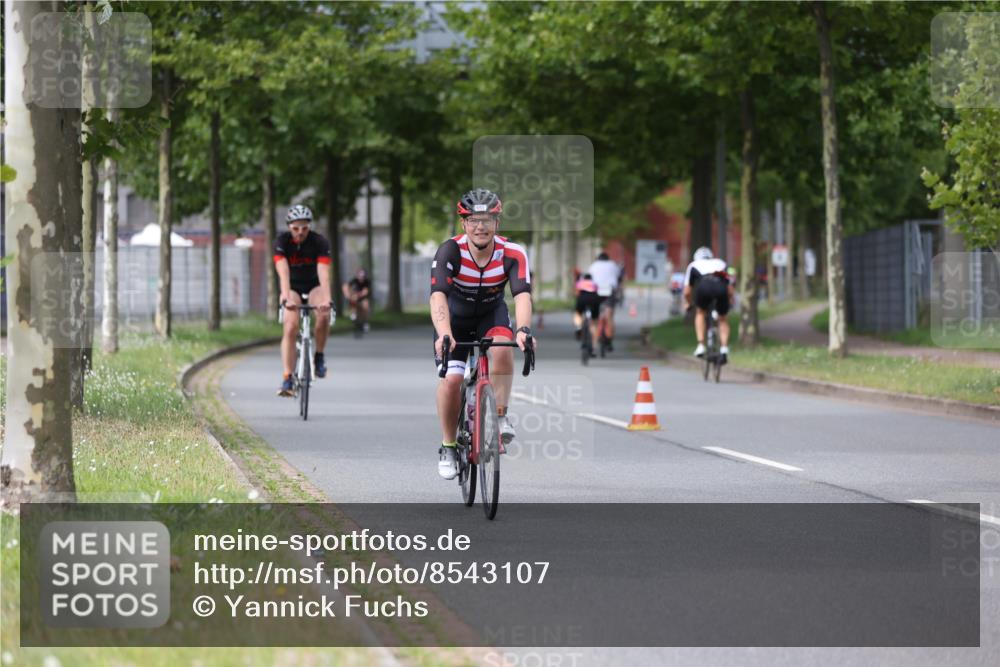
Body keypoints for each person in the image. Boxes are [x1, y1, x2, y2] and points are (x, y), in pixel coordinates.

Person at [430, 188, 534, 480]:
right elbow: (438, 296)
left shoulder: (513, 253)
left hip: (491, 313)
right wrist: (444, 334)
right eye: (473, 220)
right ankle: (448, 445)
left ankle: (500, 416)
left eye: (487, 219)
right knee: (451, 379)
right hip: (455, 318)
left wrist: (524, 329)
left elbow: (522, 295)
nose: (480, 226)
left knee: (503, 347)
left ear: (497, 223)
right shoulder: (450, 250)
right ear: (463, 223)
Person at [274, 205, 333, 396]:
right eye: (296, 228)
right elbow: (283, 272)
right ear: (289, 227)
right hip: (292, 287)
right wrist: (284, 296)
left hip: (314, 285)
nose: (300, 232)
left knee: (323, 314)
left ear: (309, 227)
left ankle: (319, 355)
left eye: (305, 228)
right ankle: (287, 377)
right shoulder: (282, 242)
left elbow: (323, 273)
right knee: (291, 326)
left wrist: (328, 299)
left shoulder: (319, 242)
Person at [683, 246, 733, 363]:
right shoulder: (721, 263)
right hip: (721, 287)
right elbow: (730, 288)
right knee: (723, 319)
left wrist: (689, 304)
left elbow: (687, 292)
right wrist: (729, 300)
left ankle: (701, 345)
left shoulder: (693, 265)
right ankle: (724, 348)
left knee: (700, 312)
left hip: (704, 287)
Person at [586, 251, 620, 351]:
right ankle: (609, 340)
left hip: (596, 291)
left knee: (594, 318)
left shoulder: (593, 266)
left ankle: (594, 342)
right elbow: (618, 278)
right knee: (609, 316)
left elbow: (589, 279)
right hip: (609, 290)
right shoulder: (613, 265)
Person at [574, 272, 601, 353]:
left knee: (578, 314)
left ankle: (579, 327)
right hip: (593, 300)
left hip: (582, 299)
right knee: (594, 323)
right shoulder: (594, 284)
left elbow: (577, 293)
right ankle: (594, 345)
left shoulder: (579, 283)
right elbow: (597, 292)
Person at [343, 268, 371, 333]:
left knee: (365, 306)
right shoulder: (354, 280)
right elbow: (345, 286)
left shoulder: (367, 282)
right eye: (360, 276)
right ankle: (353, 314)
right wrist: (347, 294)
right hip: (354, 298)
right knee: (353, 301)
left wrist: (357, 295)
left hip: (363, 298)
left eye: (362, 276)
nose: (361, 278)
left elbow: (365, 292)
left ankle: (365, 322)